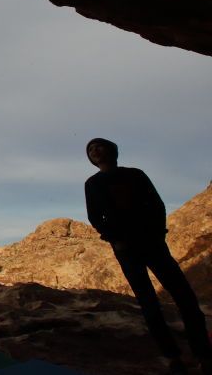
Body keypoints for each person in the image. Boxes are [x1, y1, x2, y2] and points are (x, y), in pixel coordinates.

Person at [84, 138, 212, 375]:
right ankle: (172, 357)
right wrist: (114, 237)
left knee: (185, 297)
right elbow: (94, 216)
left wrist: (158, 231)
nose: (95, 151)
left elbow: (156, 203)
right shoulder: (92, 183)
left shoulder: (135, 174)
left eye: (98, 146)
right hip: (125, 249)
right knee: (148, 303)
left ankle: (203, 353)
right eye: (90, 150)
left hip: (152, 243)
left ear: (111, 150)